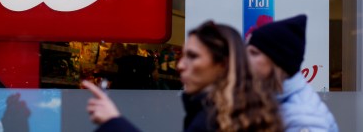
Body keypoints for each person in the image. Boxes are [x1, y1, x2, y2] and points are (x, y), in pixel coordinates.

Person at [83, 21, 283, 132]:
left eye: (193, 57)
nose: (180, 65)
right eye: (183, 56)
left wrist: (114, 122)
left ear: (222, 65)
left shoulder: (215, 119)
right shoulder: (239, 112)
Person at [245, 14, 339, 132]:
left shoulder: (302, 117)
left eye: (254, 53)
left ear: (277, 61)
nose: (245, 59)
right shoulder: (276, 98)